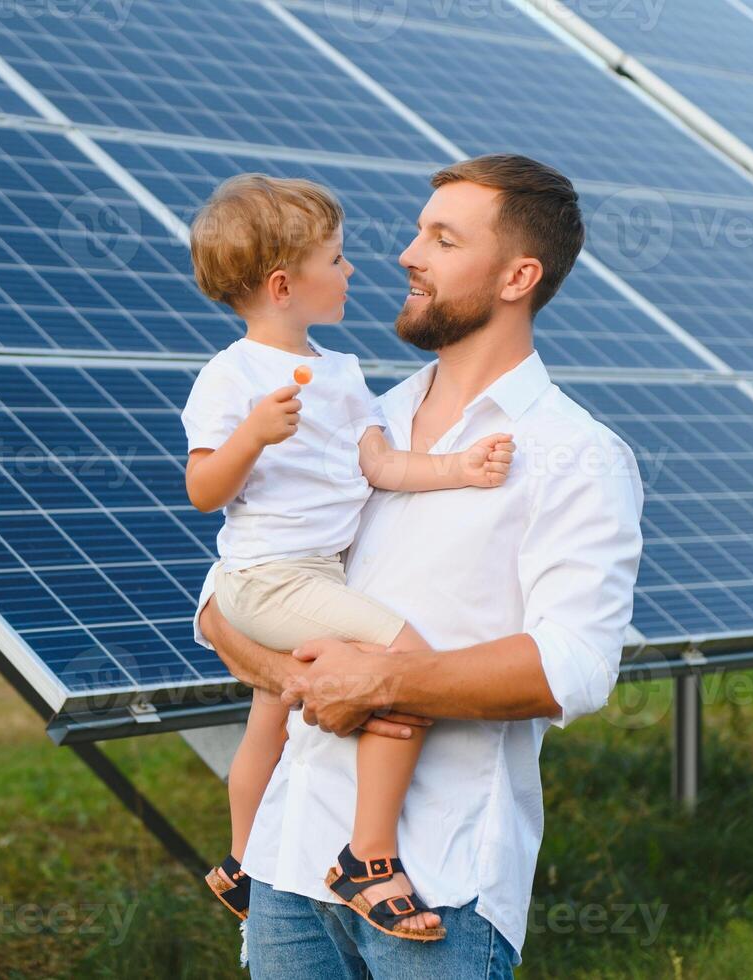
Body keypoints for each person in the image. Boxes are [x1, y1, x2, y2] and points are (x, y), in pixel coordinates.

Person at [195, 154, 645, 978]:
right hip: (287, 862)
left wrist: (379, 683)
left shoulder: (575, 455)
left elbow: (574, 668)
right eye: (416, 231)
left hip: (438, 885)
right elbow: (233, 589)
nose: (406, 253)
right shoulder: (353, 410)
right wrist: (290, 677)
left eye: (441, 238)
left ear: (516, 276)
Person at [182, 173, 515, 942]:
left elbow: (379, 466)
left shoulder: (339, 373)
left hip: (311, 576)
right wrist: (250, 438)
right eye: (335, 260)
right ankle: (367, 856)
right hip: (267, 579)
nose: (353, 271)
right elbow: (203, 489)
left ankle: (237, 862)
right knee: (405, 663)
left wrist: (458, 469)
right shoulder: (230, 377)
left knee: (268, 719)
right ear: (282, 285)